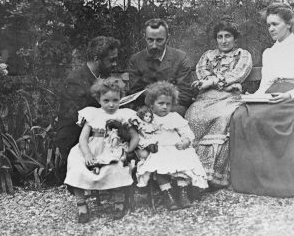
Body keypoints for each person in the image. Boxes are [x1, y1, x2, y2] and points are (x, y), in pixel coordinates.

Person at [230, 3, 294, 198]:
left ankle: (277, 181)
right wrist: (253, 98)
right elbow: (265, 85)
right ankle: (252, 181)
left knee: (259, 119)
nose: (271, 29)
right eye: (268, 25)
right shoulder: (269, 53)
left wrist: (288, 95)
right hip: (272, 95)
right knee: (240, 115)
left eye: (275, 24)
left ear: (289, 24)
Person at [185, 18, 253, 189]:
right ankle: (194, 174)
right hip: (207, 98)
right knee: (192, 116)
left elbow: (238, 74)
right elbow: (202, 74)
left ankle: (215, 176)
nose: (223, 41)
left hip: (229, 99)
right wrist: (215, 83)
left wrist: (214, 81)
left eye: (228, 36)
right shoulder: (208, 55)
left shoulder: (242, 55)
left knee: (222, 118)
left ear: (235, 38)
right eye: (220, 36)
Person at [64, 77, 139, 223]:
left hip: (113, 150)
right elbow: (83, 139)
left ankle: (119, 203)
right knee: (77, 167)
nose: (111, 105)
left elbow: (134, 137)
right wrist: (87, 154)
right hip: (92, 149)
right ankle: (82, 207)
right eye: (106, 101)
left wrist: (128, 150)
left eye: (115, 100)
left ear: (120, 99)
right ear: (99, 99)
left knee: (118, 168)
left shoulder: (124, 115)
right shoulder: (92, 114)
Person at [54, 36, 120, 181]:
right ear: (97, 59)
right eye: (111, 60)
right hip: (76, 135)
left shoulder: (99, 77)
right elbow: (77, 116)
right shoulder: (75, 80)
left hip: (95, 131)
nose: (115, 64)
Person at [135, 81, 208, 211]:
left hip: (176, 147)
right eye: (161, 103)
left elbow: (186, 132)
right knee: (160, 168)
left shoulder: (174, 117)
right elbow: (142, 136)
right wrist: (148, 145)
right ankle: (167, 194)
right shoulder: (148, 119)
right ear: (151, 104)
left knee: (183, 165)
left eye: (168, 104)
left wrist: (185, 140)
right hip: (159, 149)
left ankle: (182, 192)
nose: (165, 107)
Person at [127, 18, 193, 116]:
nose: (154, 46)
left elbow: (184, 96)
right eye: (150, 40)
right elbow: (135, 93)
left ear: (167, 38)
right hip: (145, 108)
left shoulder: (181, 58)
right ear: (145, 38)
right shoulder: (136, 60)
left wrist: (162, 106)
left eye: (159, 40)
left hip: (173, 108)